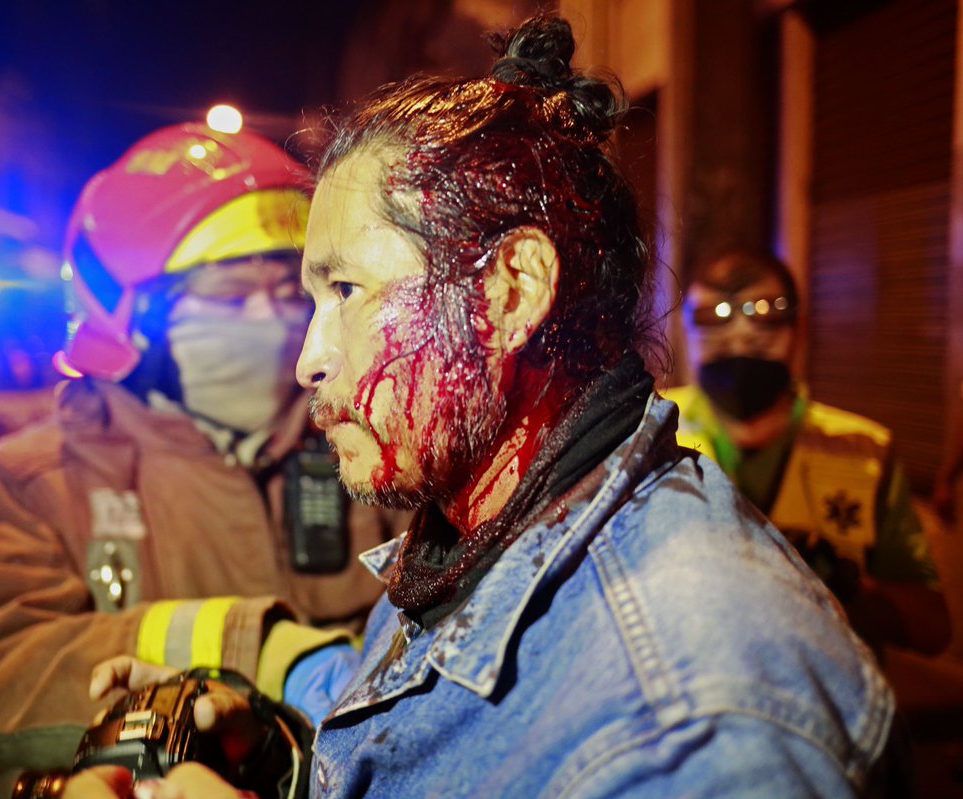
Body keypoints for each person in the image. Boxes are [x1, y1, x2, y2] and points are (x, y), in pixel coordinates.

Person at [70, 14, 899, 799]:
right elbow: (428, 718)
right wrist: (272, 732)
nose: (307, 359)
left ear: (509, 293)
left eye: (346, 290)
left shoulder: (689, 723)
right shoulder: (482, 527)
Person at [0, 123, 405, 772]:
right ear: (130, 316)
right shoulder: (29, 482)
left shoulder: (370, 447)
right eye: (232, 294)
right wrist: (257, 649)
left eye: (288, 291)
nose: (272, 319)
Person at [664, 250, 950, 656]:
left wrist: (850, 587)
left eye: (765, 312)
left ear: (800, 328)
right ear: (683, 330)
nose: (740, 336)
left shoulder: (864, 451)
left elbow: (933, 629)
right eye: (713, 315)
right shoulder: (648, 431)